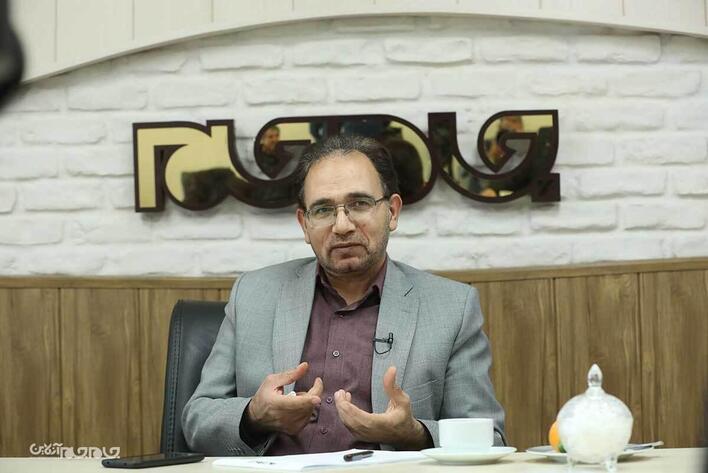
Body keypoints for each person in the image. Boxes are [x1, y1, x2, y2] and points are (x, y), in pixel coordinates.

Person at [182, 134, 506, 456]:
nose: (341, 226)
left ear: (392, 212)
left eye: (359, 204)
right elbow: (197, 420)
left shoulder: (451, 308)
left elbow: (489, 439)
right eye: (323, 209)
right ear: (304, 224)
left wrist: (414, 433)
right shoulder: (253, 295)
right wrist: (253, 416)